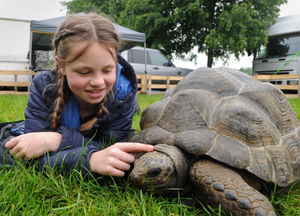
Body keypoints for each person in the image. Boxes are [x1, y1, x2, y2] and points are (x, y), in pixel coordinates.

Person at [1, 13, 153, 177]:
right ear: (61, 66)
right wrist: (90, 159)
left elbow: (110, 149)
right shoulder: (44, 85)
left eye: (108, 70)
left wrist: (56, 140)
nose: (98, 82)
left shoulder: (122, 96)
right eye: (84, 72)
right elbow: (30, 153)